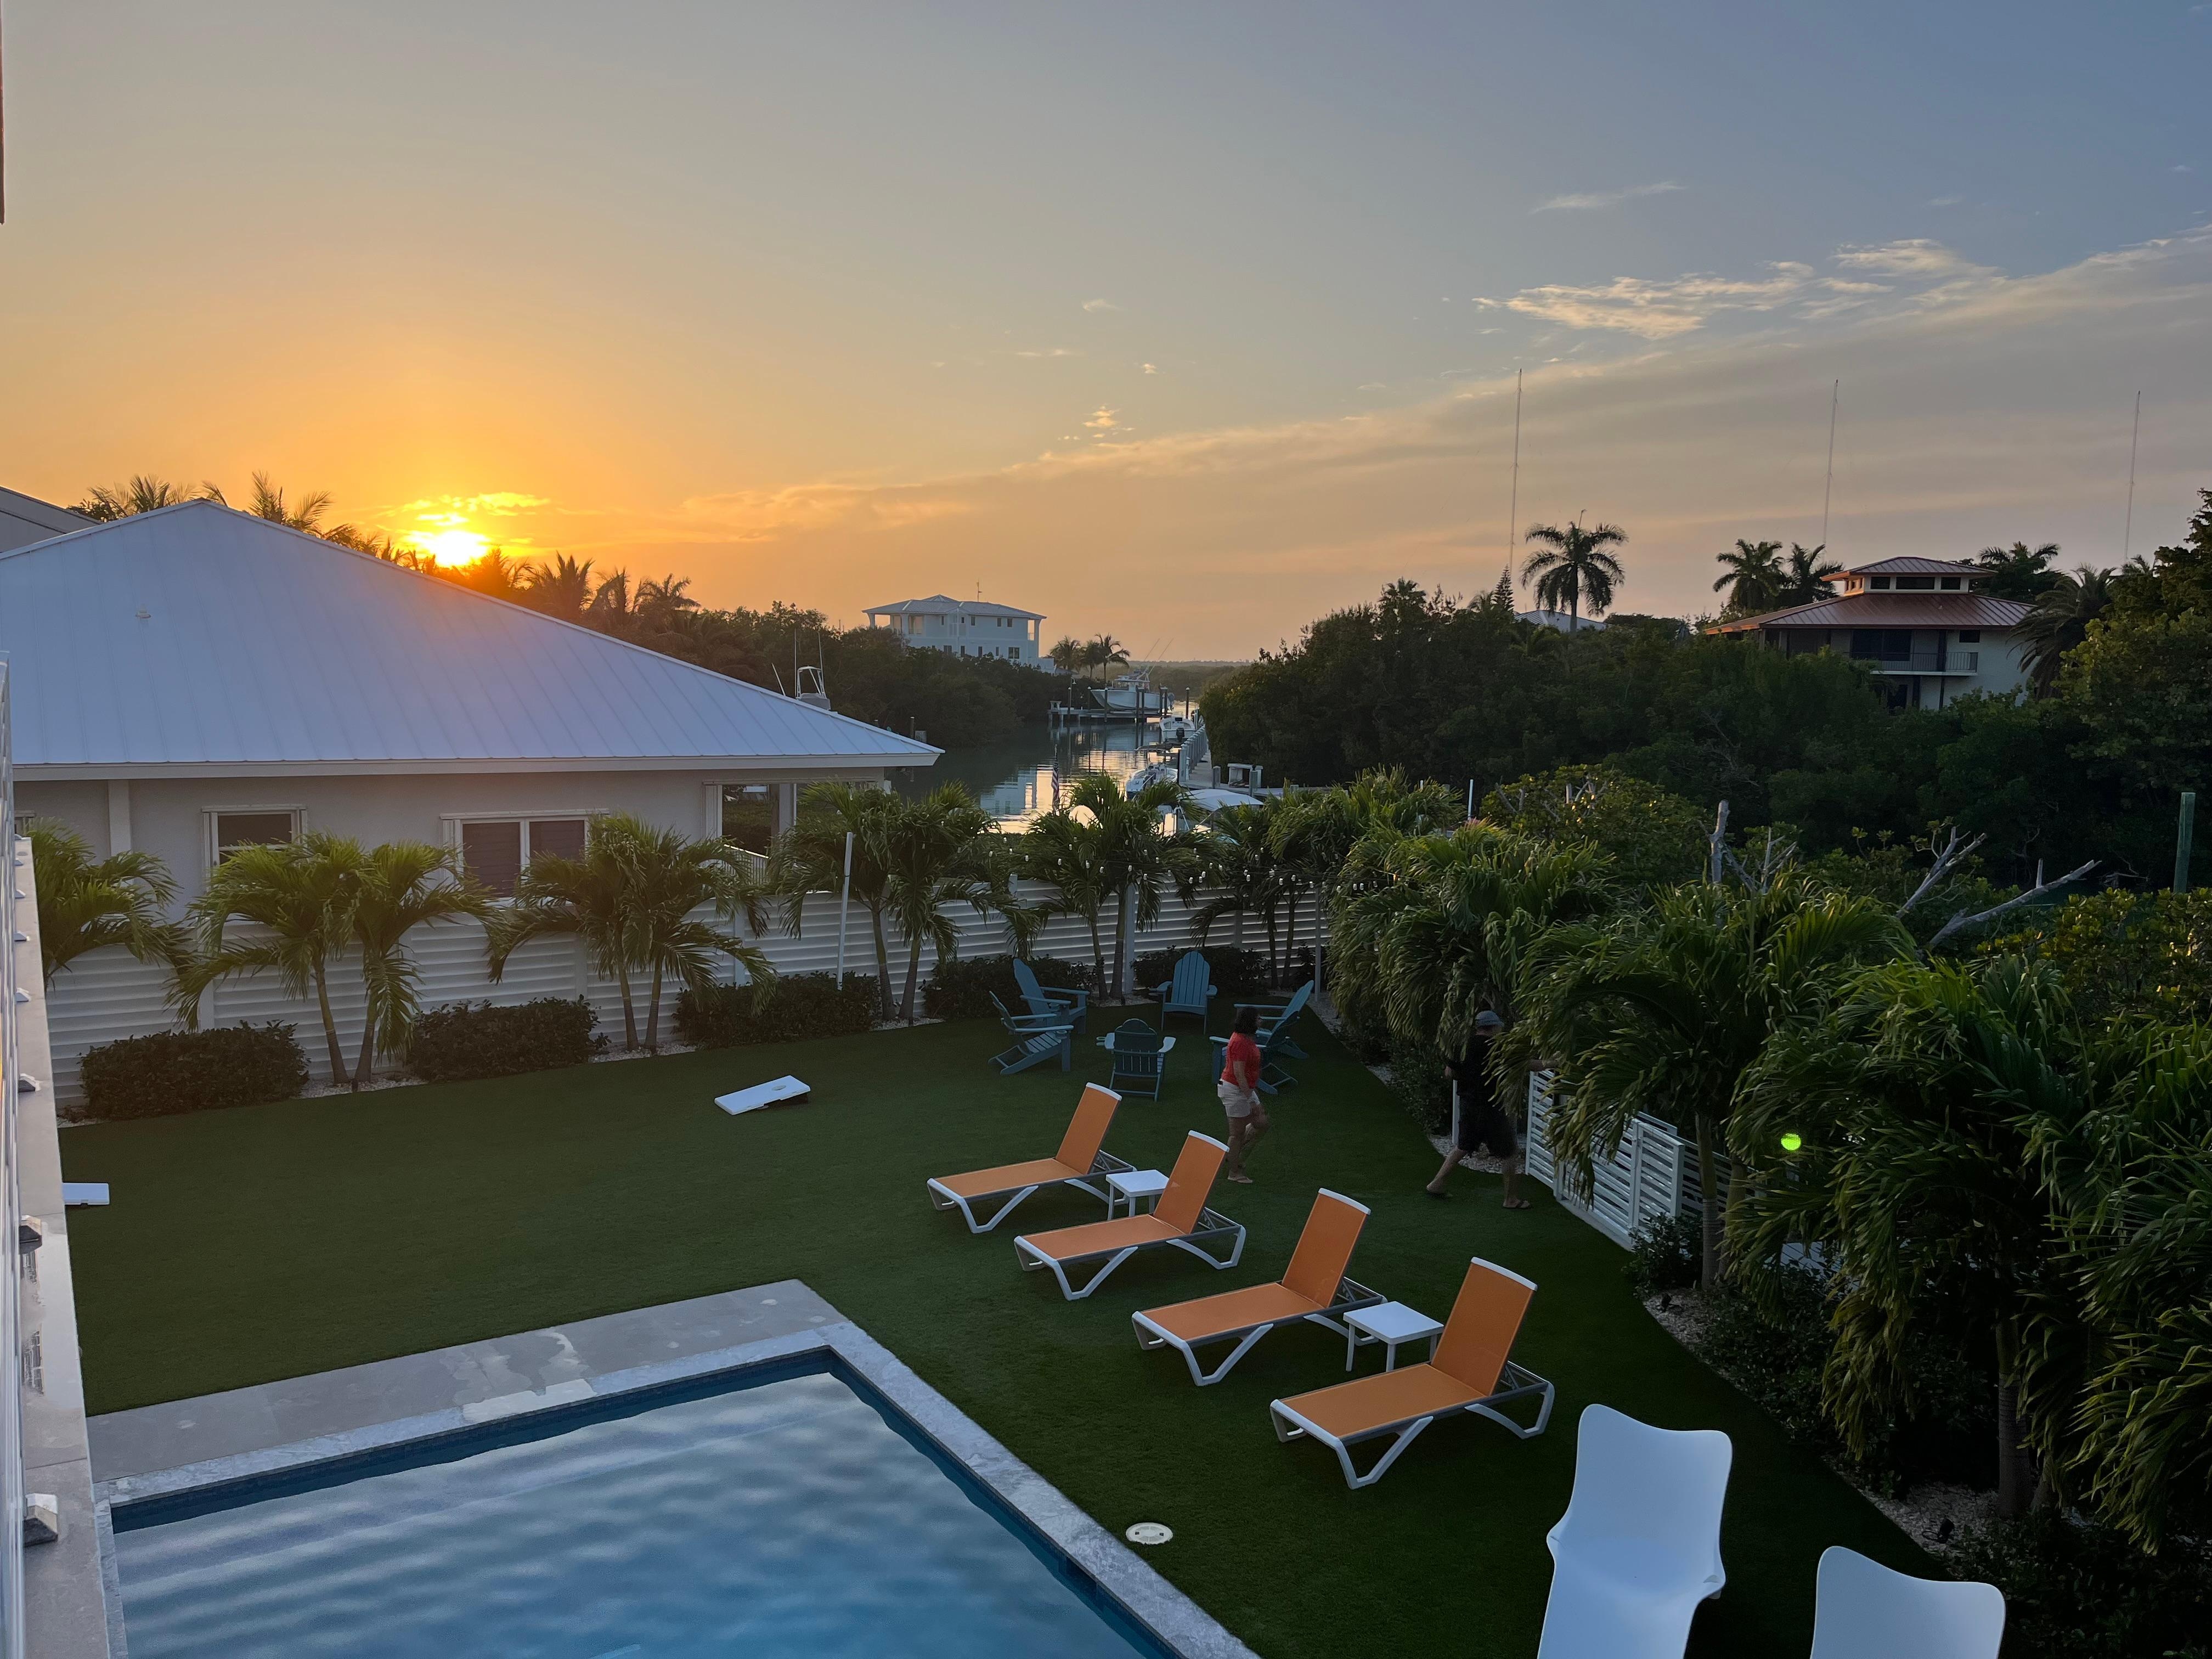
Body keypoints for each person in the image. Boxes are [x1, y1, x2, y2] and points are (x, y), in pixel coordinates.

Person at [1426, 1009, 1528, 1208]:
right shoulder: (1496, 1047)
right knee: (1510, 1152)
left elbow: (1449, 1073)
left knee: (1463, 1146)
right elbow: (1526, 1065)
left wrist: (1469, 1076)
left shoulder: (1463, 1046)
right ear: (1494, 1027)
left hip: (1468, 1104)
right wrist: (1553, 1062)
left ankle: (1436, 1185)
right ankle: (1511, 1200)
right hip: (1490, 1107)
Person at [1218, 1004, 1268, 1184]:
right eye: (1258, 1018)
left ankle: (1233, 1155)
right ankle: (1234, 1172)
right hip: (1234, 1089)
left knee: (1261, 1123)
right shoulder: (1239, 1042)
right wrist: (1250, 1099)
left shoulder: (1247, 1038)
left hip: (1244, 1088)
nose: (1261, 1020)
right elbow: (1239, 1073)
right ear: (1250, 1022)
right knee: (1236, 1133)